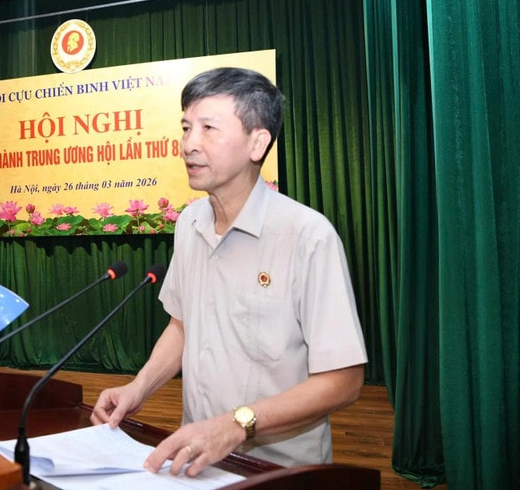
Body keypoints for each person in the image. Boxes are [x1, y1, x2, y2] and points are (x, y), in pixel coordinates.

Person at [90, 67, 368, 476]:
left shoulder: (307, 236)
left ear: (258, 143)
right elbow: (182, 327)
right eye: (186, 128)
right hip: (195, 460)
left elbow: (344, 381)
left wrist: (236, 425)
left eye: (208, 128)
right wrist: (139, 387)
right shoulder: (189, 224)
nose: (189, 144)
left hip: (276, 470)